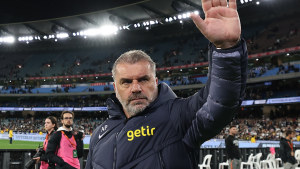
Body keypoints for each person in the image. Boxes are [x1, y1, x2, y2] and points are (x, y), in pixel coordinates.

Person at [85, 0, 248, 168]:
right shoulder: (99, 135)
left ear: (155, 82)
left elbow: (220, 102)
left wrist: (226, 49)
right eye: (126, 82)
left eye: (143, 79)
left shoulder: (178, 116)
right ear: (115, 88)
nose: (136, 88)